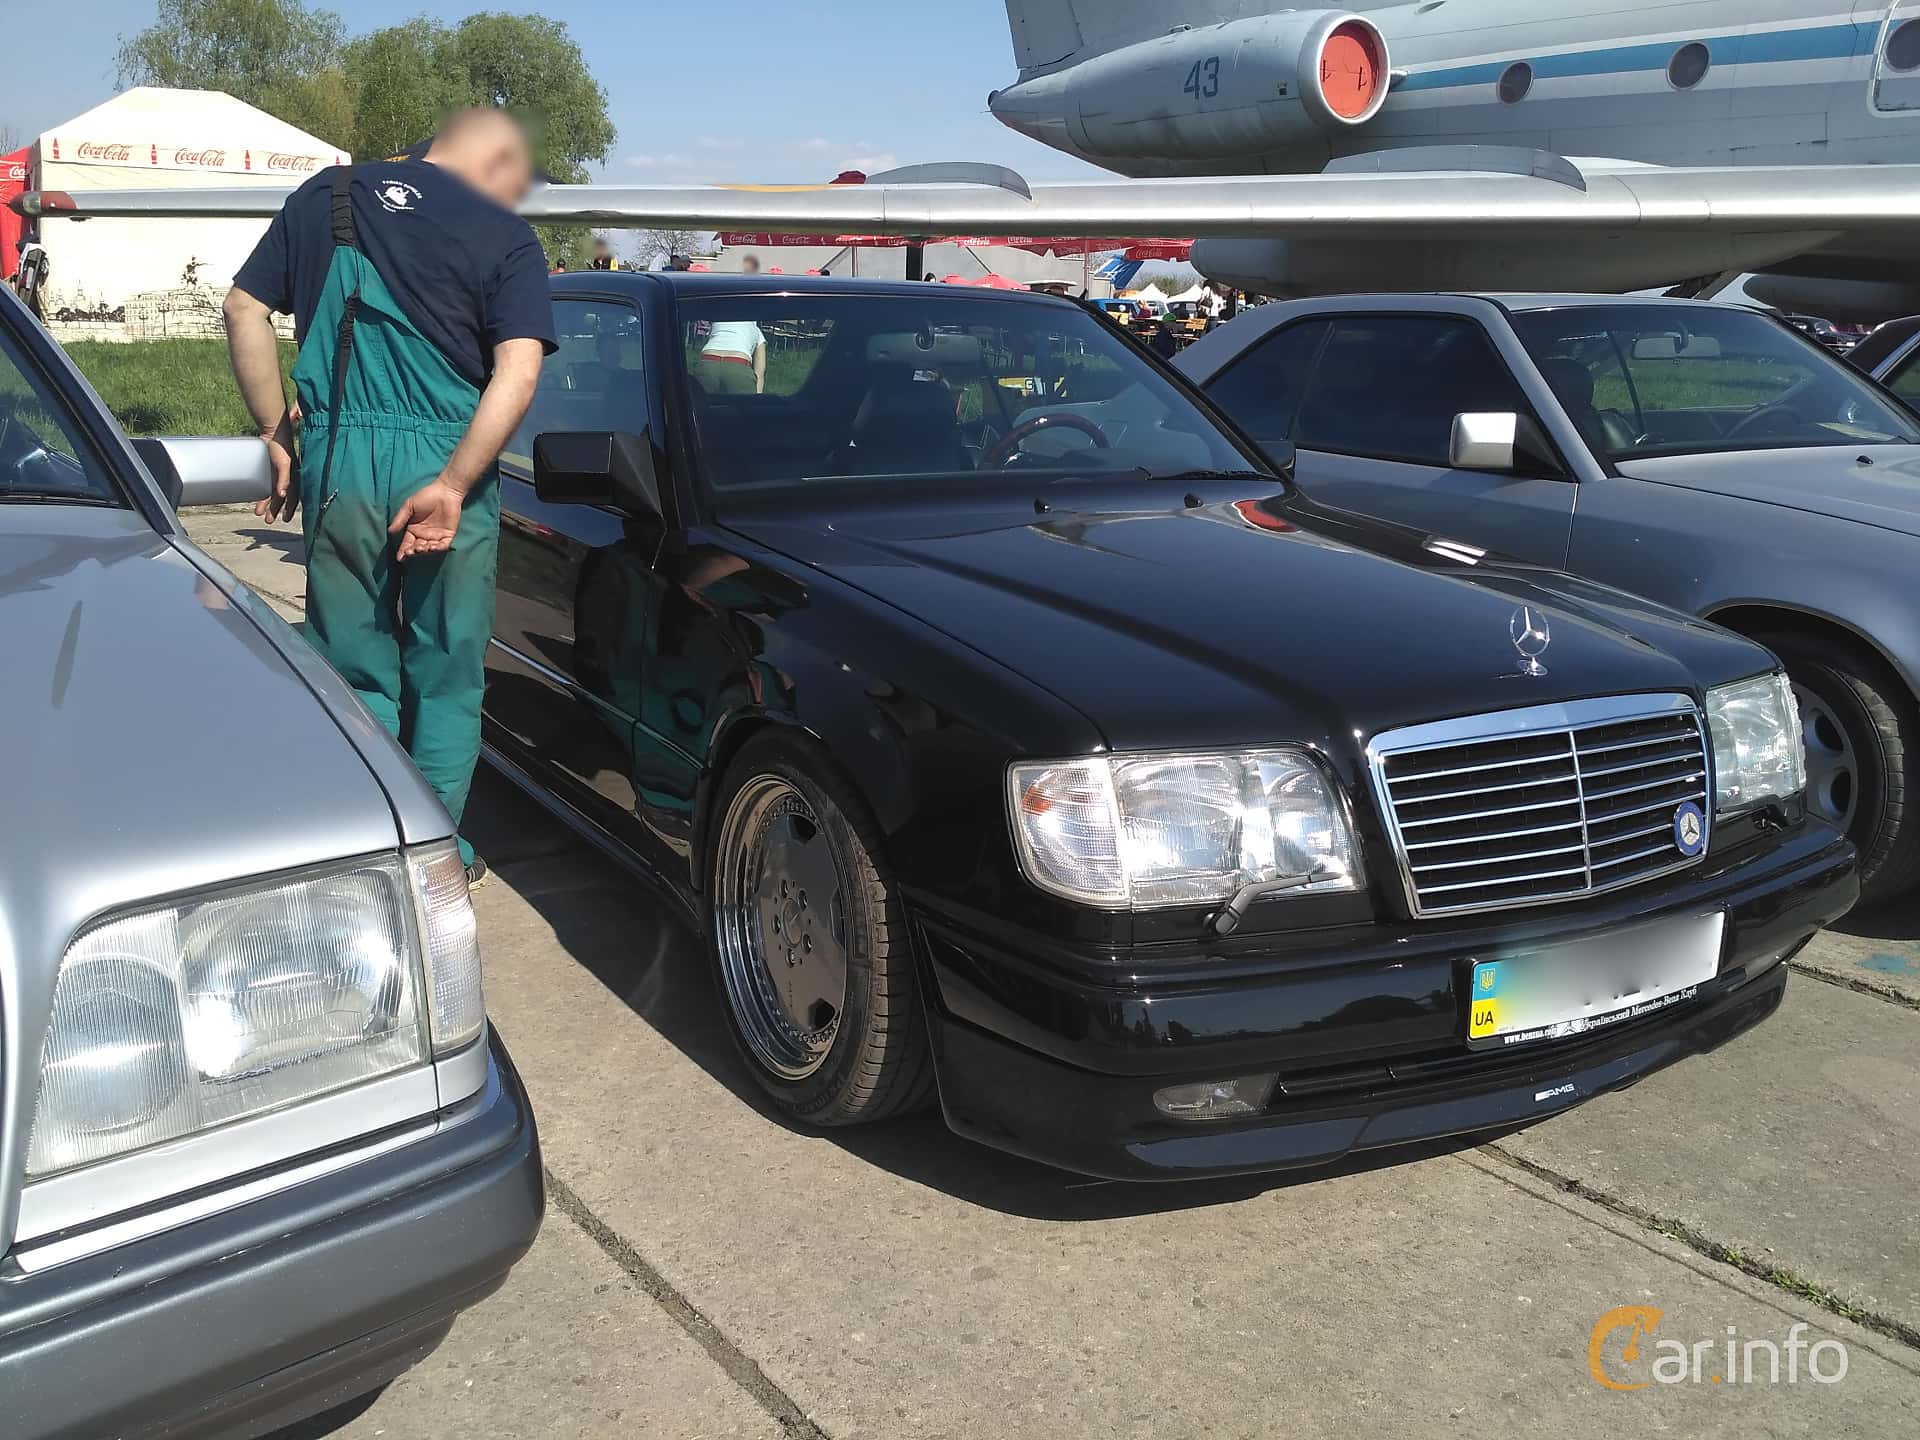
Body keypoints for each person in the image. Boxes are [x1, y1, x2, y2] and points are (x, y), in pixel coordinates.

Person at [222, 107, 555, 885]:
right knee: (446, 675)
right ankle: (435, 860)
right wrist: (454, 484)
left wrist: (275, 431)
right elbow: (518, 373)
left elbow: (243, 308)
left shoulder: (326, 197)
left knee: (352, 669)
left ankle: (368, 850)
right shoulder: (506, 234)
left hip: (340, 460)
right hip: (448, 459)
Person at [696, 313, 767, 394]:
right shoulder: (757, 331)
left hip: (707, 362)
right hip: (738, 367)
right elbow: (759, 374)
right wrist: (757, 398)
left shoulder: (719, 322)